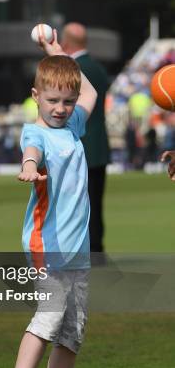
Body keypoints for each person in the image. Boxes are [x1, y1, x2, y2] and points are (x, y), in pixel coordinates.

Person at [1, 29, 98, 368]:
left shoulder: (73, 125)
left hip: (77, 249)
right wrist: (28, 167)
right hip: (48, 244)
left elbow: (91, 95)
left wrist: (59, 54)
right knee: (49, 316)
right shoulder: (36, 131)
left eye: (67, 102)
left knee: (72, 330)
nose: (61, 108)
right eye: (53, 100)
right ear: (36, 95)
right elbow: (31, 151)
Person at [61, 23, 110, 253]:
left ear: (66, 44)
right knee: (96, 204)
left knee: (77, 206)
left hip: (78, 146)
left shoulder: (72, 69)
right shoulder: (99, 68)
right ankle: (98, 249)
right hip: (100, 146)